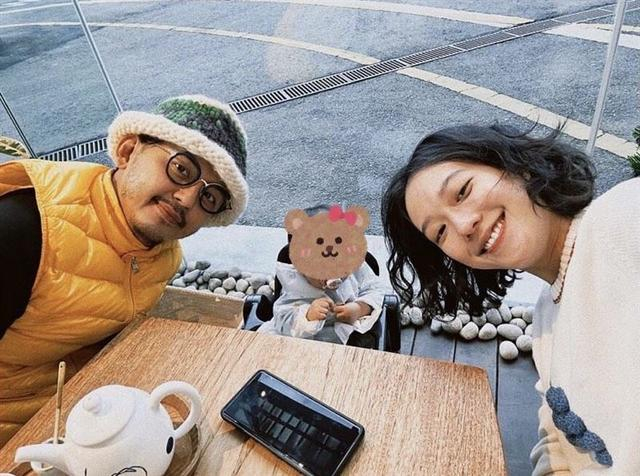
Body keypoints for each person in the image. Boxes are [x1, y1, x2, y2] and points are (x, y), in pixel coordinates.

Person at [381, 124, 640, 474]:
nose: (463, 225)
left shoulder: (625, 217)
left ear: (517, 165)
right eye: (440, 232)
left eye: (462, 191)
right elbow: (556, 438)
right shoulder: (546, 320)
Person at [0, 95, 249, 446]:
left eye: (210, 197)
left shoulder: (164, 255)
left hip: (85, 416)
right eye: (182, 169)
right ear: (128, 151)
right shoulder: (23, 229)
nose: (187, 199)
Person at [258, 205, 386, 348]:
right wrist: (308, 316)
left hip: (349, 335)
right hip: (304, 342)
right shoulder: (293, 282)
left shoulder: (356, 267)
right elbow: (281, 317)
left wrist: (360, 308)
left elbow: (375, 289)